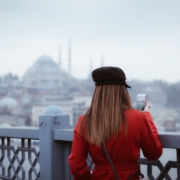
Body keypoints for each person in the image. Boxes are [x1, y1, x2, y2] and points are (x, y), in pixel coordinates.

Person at [68, 66, 162, 180]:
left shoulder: (84, 121)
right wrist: (147, 115)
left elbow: (76, 166)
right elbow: (154, 153)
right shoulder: (138, 118)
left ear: (97, 92)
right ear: (123, 91)